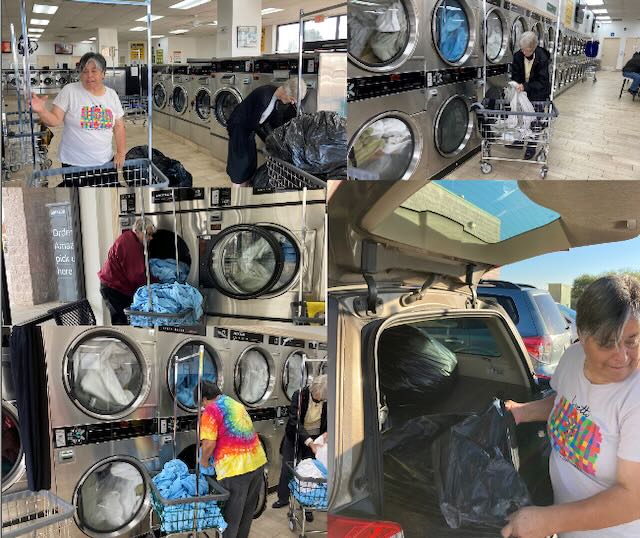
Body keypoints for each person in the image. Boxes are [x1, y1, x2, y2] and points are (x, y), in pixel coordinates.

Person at [501, 274, 640, 538]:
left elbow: (634, 499)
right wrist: (523, 411)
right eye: (607, 342)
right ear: (582, 335)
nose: (621, 356)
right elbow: (567, 402)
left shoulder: (636, 397)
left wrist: (549, 520)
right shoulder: (573, 358)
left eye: (632, 341)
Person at [30, 52, 126, 186]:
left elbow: (119, 126)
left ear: (103, 73)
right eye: (85, 71)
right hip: (74, 163)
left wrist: (121, 152)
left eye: (94, 71)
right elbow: (55, 120)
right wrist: (41, 110)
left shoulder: (112, 95)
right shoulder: (69, 91)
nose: (89, 75)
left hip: (105, 162)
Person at [198, 380, 267, 538]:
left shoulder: (211, 411)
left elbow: (208, 444)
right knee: (246, 513)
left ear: (204, 399)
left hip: (235, 470)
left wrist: (203, 461)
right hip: (257, 463)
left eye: (200, 403)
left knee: (229, 518)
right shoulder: (234, 404)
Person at [226, 77, 307, 187]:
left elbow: (272, 120)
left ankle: (244, 188)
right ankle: (236, 194)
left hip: (248, 129)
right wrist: (270, 142)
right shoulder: (264, 96)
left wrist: (282, 138)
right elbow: (255, 124)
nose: (292, 102)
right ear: (286, 91)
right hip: (239, 128)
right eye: (292, 98)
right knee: (240, 163)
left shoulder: (274, 96)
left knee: (249, 161)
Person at [273, 375, 328, 521]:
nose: (320, 400)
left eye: (323, 398)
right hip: (296, 435)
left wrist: (325, 435)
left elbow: (330, 420)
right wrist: (309, 442)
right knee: (288, 467)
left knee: (310, 474)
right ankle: (283, 497)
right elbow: (293, 422)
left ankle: (307, 505)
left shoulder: (328, 400)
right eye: (318, 397)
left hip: (316, 438)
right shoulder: (299, 395)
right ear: (312, 390)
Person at [97, 217, 156, 325]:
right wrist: (157, 286)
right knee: (121, 322)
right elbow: (137, 276)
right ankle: (122, 341)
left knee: (126, 320)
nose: (151, 238)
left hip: (118, 286)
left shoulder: (131, 239)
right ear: (138, 231)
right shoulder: (130, 245)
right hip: (113, 288)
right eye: (148, 234)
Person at [511, 31, 552, 161]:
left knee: (535, 120)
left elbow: (542, 81)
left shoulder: (542, 57)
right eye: (522, 49)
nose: (524, 53)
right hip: (523, 91)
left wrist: (525, 86)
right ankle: (519, 141)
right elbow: (516, 73)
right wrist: (517, 84)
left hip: (538, 92)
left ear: (534, 48)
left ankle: (531, 147)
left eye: (527, 51)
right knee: (521, 117)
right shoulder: (518, 55)